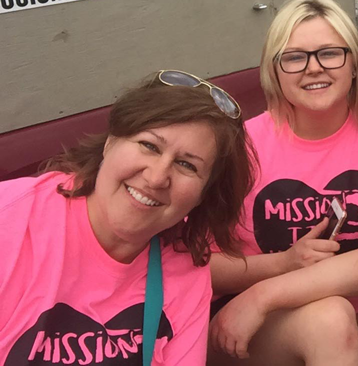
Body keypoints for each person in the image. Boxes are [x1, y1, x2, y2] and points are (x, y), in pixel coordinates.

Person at [208, 0, 358, 365]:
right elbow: (199, 265)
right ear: (274, 71)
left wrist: (265, 294)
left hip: (350, 310)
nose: (314, 68)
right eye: (295, 57)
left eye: (330, 53)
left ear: (354, 64)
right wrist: (279, 268)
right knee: (328, 321)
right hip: (242, 317)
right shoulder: (240, 146)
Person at [0, 70, 255, 365]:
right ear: (111, 142)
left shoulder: (186, 272)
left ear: (202, 196)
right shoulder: (12, 218)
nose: (157, 177)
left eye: (186, 165)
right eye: (149, 146)